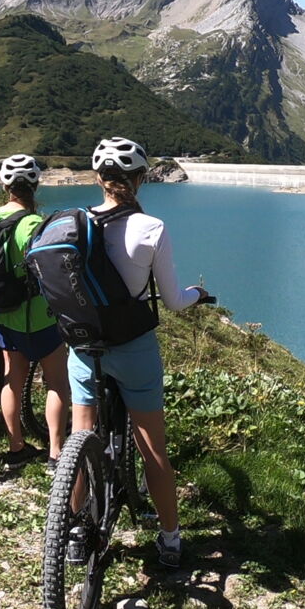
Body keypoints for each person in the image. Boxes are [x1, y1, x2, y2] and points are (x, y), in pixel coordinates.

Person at [69, 136, 208, 569]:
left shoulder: (75, 222)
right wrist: (199, 293)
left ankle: (73, 530)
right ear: (141, 178)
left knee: (81, 438)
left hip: (83, 347)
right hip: (132, 350)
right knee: (153, 451)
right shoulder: (152, 228)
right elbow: (171, 300)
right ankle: (169, 540)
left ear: (99, 179)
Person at [0, 154, 69, 467]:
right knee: (57, 382)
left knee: (12, 380)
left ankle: (16, 448)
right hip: (36, 316)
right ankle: (56, 453)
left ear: (5, 185)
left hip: (3, 314)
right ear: (35, 185)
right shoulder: (31, 224)